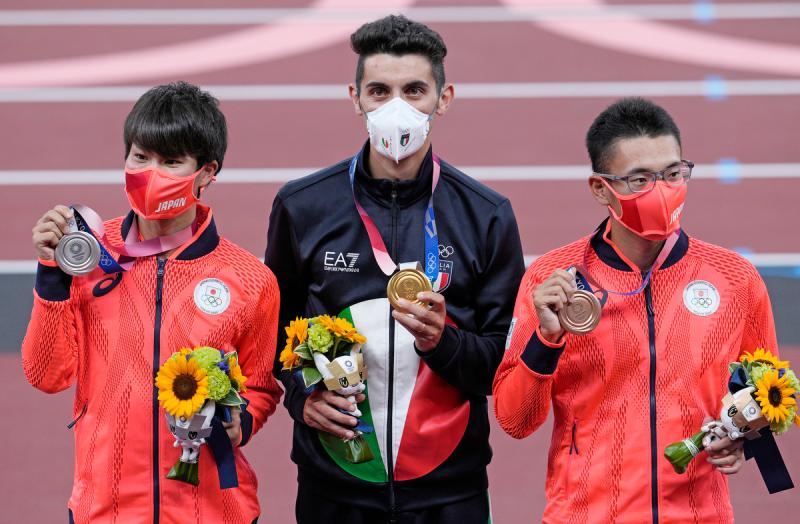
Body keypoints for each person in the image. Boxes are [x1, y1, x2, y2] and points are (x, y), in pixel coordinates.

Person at [265, 15, 525, 524]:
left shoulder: (486, 214)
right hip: (335, 484)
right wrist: (301, 398)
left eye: (414, 90)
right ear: (355, 97)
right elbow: (273, 330)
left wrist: (441, 342)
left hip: (449, 491)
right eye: (380, 91)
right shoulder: (303, 206)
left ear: (443, 99)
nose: (397, 108)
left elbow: (502, 362)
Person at [493, 97, 779, 523]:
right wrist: (547, 339)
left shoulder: (734, 278)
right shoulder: (551, 278)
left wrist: (745, 438)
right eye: (639, 179)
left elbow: (768, 393)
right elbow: (515, 420)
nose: (661, 190)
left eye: (673, 173)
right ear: (599, 188)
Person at [22, 81, 282, 524]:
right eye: (140, 157)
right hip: (104, 510)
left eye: (171, 161)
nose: (151, 173)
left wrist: (244, 421)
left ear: (207, 172)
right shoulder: (87, 254)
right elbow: (46, 375)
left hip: (213, 513)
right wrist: (52, 277)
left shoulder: (249, 279)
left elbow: (260, 385)